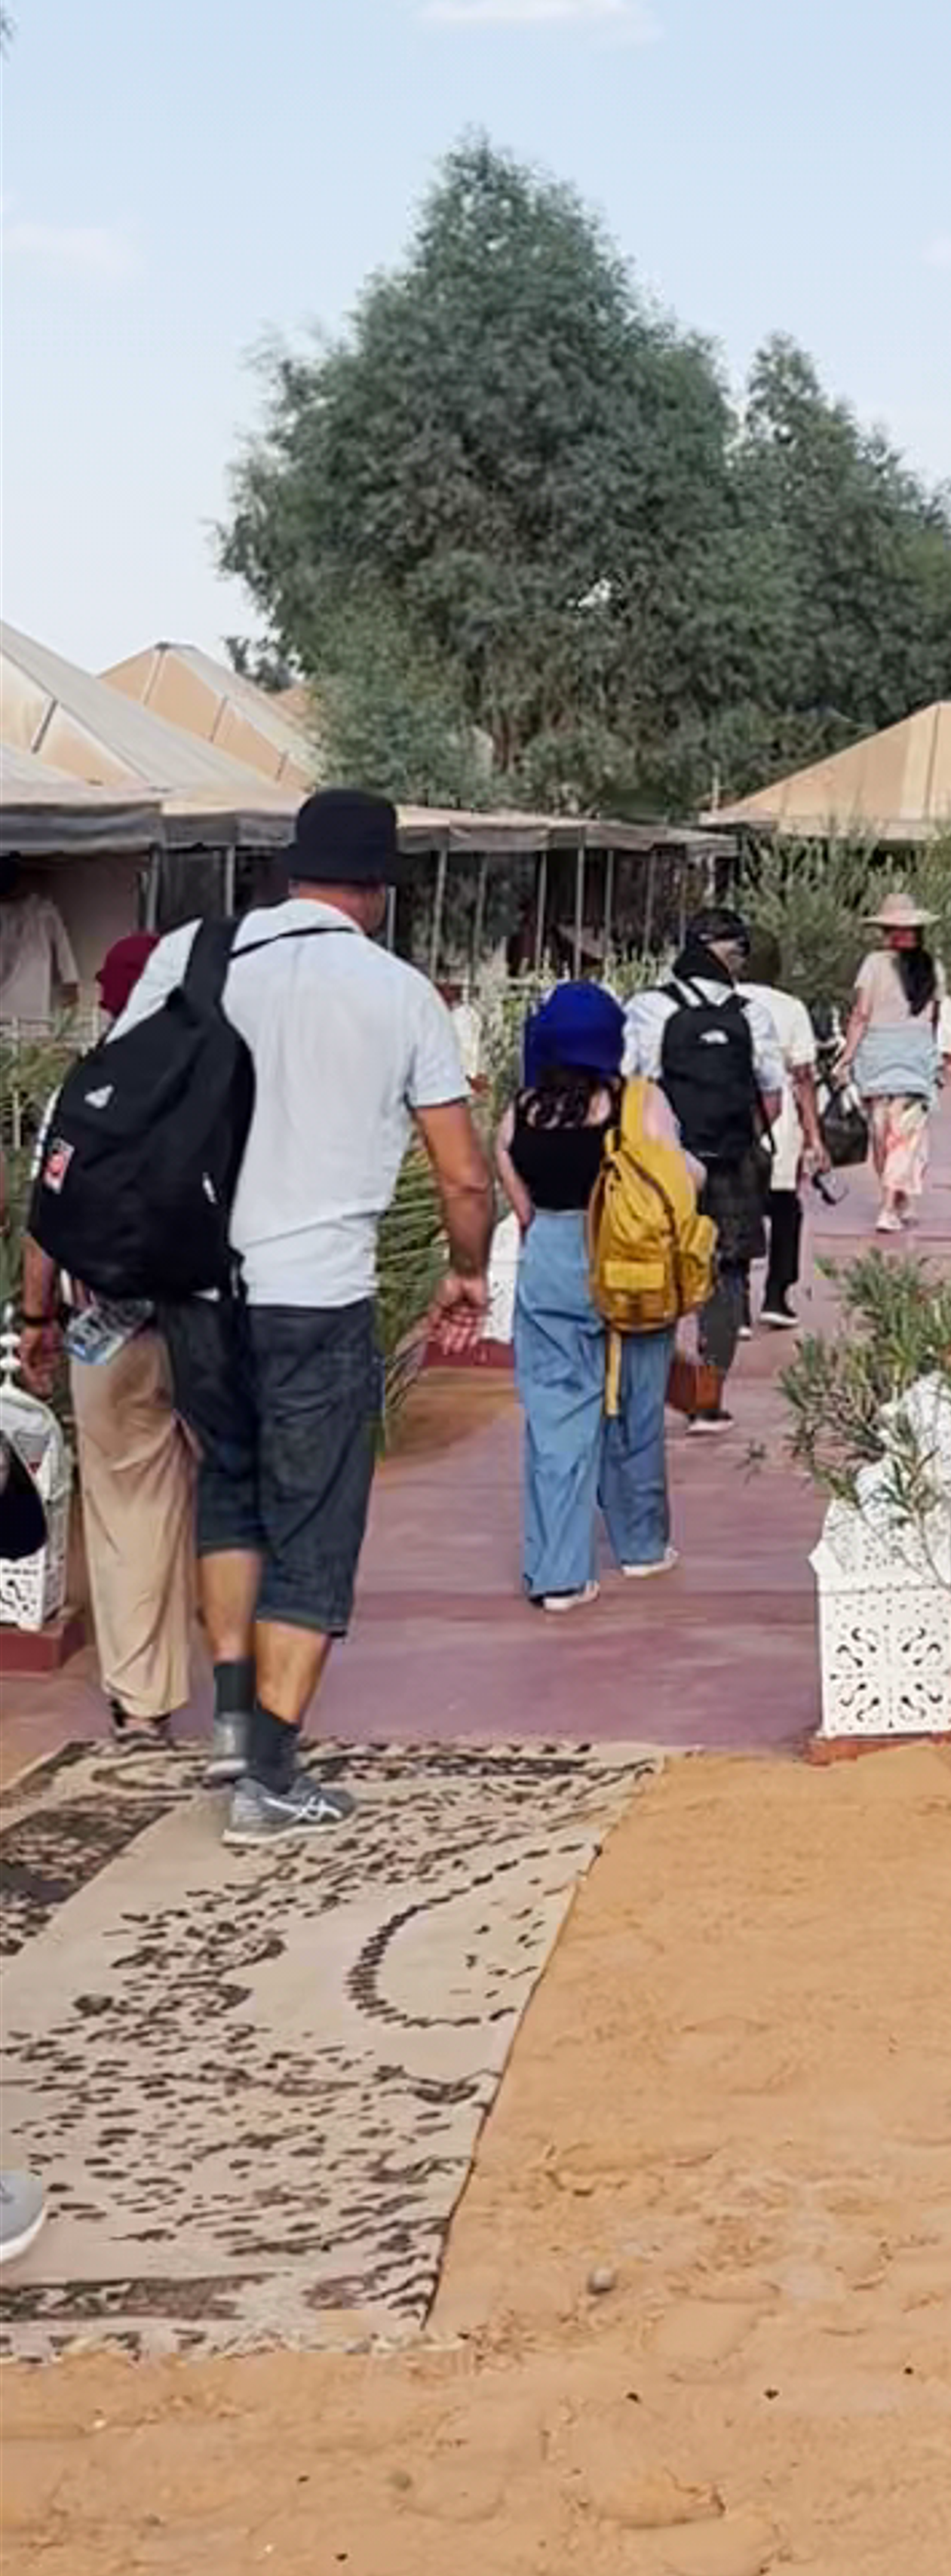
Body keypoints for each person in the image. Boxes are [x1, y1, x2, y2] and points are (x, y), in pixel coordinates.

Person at [120, 788, 493, 1840]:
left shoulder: (189, 955)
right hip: (315, 1290)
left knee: (231, 1485)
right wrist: (466, 1272)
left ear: (290, 870)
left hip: (196, 1281)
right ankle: (271, 1776)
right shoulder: (395, 991)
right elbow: (462, 1175)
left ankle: (235, 1724)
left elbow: (119, 1096)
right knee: (316, 1521)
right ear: (378, 888)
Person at [14, 930, 202, 1758]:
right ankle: (243, 1682)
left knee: (127, 1507)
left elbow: (45, 1222)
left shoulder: (82, 1089)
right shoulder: (221, 1078)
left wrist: (36, 1321)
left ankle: (140, 1704)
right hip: (207, 1320)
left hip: (105, 1324)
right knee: (227, 1503)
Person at [496, 981, 686, 1609]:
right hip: (629, 1264)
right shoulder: (637, 1102)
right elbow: (677, 1179)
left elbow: (514, 1186)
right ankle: (641, 1545)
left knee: (555, 1417)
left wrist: (544, 1219)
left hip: (549, 1257)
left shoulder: (520, 1109)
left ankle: (558, 1573)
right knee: (636, 1403)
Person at [624, 910, 782, 1425]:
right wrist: (739, 1138)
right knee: (727, 1273)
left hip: (664, 1163)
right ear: (727, 955)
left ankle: (654, 1384)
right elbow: (771, 1096)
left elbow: (631, 1084)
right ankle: (709, 1397)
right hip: (731, 1161)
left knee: (659, 1267)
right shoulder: (751, 1014)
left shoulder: (649, 1007)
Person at [836, 893, 942, 1235]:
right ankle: (896, 1199)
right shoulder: (933, 967)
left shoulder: (874, 964)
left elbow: (860, 1015)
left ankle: (888, 1204)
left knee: (882, 1135)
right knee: (905, 1136)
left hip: (877, 1059)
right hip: (915, 1058)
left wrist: (846, 1058)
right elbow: (934, 1019)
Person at [748, 959, 826, 1330]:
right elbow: (804, 1076)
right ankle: (777, 1295)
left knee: (731, 1210)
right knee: (784, 1209)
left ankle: (733, 1301)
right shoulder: (790, 1007)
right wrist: (814, 1137)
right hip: (778, 1125)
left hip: (727, 1122)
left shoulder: (716, 1000)